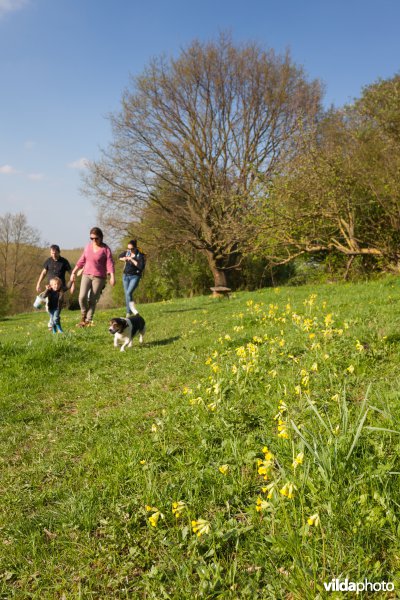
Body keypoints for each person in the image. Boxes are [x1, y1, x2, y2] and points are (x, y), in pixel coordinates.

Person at [70, 227, 115, 327]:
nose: (94, 240)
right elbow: (82, 260)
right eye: (91, 238)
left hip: (99, 277)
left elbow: (110, 263)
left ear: (101, 237)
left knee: (92, 299)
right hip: (86, 274)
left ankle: (88, 320)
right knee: (81, 297)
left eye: (96, 238)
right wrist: (74, 272)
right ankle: (83, 314)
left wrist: (112, 276)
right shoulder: (88, 247)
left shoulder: (105, 249)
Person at [118, 239, 145, 317]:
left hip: (135, 276)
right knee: (127, 294)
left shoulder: (140, 255)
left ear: (136, 248)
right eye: (128, 248)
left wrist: (131, 259)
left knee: (129, 293)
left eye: (131, 249)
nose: (130, 250)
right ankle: (129, 312)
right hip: (125, 276)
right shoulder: (127, 253)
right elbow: (119, 257)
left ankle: (131, 311)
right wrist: (124, 259)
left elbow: (141, 266)